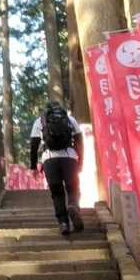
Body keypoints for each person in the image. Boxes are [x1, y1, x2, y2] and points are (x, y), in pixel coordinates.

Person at [30, 100, 85, 236]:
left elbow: (34, 145)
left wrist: (33, 166)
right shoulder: (70, 120)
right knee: (73, 188)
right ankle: (73, 205)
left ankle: (63, 223)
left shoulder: (40, 121)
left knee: (57, 193)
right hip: (69, 158)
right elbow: (79, 141)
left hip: (49, 160)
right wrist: (80, 161)